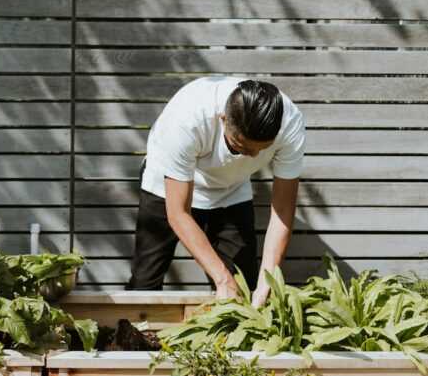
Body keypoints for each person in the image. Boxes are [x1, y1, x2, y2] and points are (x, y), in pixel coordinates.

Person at [125, 77, 306, 308]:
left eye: (260, 151)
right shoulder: (187, 119)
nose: (251, 156)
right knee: (144, 284)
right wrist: (222, 279)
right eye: (240, 147)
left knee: (242, 287)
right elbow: (178, 213)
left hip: (231, 189)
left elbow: (282, 210)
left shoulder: (290, 124)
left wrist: (267, 281)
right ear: (223, 119)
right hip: (166, 185)